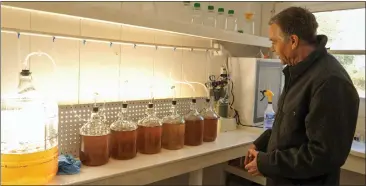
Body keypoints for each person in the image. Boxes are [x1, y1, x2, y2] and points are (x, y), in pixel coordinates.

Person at [244, 6, 360, 186]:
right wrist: (261, 144)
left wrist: (267, 163)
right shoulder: (297, 72)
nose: (272, 48)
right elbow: (290, 127)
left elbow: (323, 155)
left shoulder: (330, 81)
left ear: (293, 41)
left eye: (274, 41)